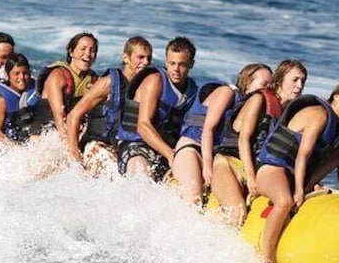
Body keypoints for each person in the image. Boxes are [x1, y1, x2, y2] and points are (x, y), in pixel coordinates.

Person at [253, 79, 339, 263]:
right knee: (284, 201)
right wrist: (299, 190)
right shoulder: (319, 114)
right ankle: (264, 260)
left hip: (295, 175)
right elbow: (303, 154)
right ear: (336, 96)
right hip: (272, 169)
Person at [210, 60, 307, 226]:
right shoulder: (259, 99)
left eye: (303, 81)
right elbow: (243, 139)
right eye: (295, 80)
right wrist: (251, 178)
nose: (299, 86)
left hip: (257, 169)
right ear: (280, 80)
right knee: (237, 211)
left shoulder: (287, 112)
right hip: (228, 164)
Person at [170, 63, 274, 206]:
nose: (267, 89)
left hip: (213, 154)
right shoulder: (227, 92)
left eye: (270, 85)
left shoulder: (247, 106)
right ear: (248, 83)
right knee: (194, 197)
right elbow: (208, 129)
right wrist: (207, 166)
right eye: (264, 84)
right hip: (193, 148)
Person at [65, 36, 154, 176]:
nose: (146, 62)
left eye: (149, 58)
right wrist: (75, 157)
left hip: (124, 147)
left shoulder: (147, 86)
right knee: (116, 176)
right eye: (140, 57)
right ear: (126, 57)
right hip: (98, 145)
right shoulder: (109, 83)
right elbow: (73, 116)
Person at [115, 36, 198, 182]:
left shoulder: (192, 91)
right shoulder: (154, 81)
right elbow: (143, 125)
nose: (176, 70)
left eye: (182, 64)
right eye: (172, 63)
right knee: (143, 178)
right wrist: (170, 155)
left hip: (164, 150)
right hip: (135, 145)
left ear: (191, 64)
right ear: (166, 62)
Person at [30, 32, 99, 140]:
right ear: (71, 52)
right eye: (83, 49)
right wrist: (72, 150)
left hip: (75, 135)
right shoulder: (57, 75)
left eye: (92, 50)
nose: (88, 54)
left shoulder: (95, 81)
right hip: (45, 135)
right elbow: (59, 116)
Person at [0, 53, 40, 147]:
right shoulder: (3, 99)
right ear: (7, 75)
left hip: (29, 139)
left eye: (25, 73)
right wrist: (15, 148)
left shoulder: (36, 91)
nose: (21, 77)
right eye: (17, 73)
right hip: (10, 145)